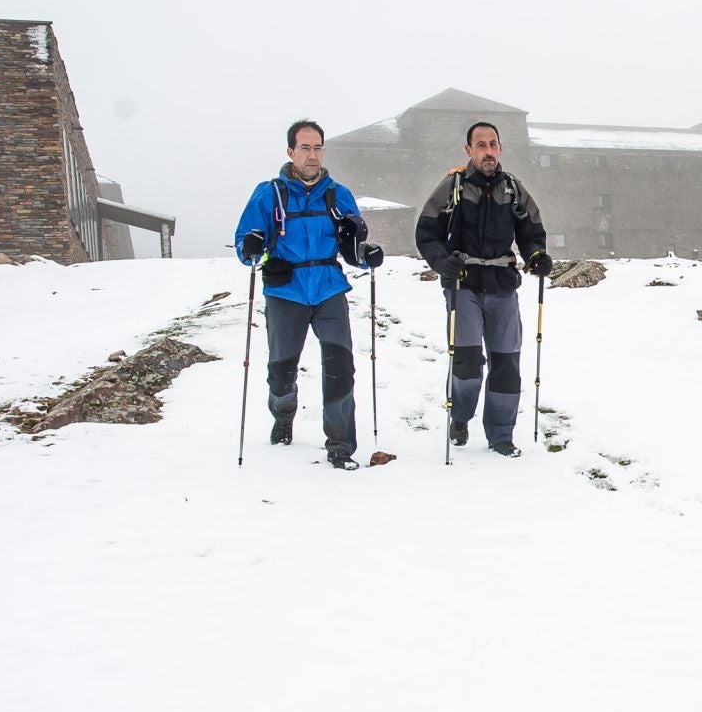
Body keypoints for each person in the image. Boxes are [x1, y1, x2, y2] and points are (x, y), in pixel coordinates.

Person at [235, 120, 382, 469]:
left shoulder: (338, 194)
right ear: (290, 152)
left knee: (340, 366)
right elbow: (246, 244)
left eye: (318, 147)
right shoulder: (268, 193)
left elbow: (352, 246)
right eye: (305, 147)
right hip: (286, 291)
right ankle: (284, 414)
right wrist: (254, 249)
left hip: (329, 287)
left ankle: (340, 445)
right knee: (281, 372)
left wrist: (366, 255)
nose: (313, 155)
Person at [415, 121, 550, 458]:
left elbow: (532, 230)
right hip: (464, 283)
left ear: (500, 148)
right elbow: (427, 231)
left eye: (493, 144)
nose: (488, 151)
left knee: (507, 363)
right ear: (469, 151)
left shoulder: (513, 189)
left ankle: (501, 434)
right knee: (467, 361)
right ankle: (460, 417)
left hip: (503, 284)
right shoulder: (453, 187)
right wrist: (442, 261)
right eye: (481, 145)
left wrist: (536, 255)